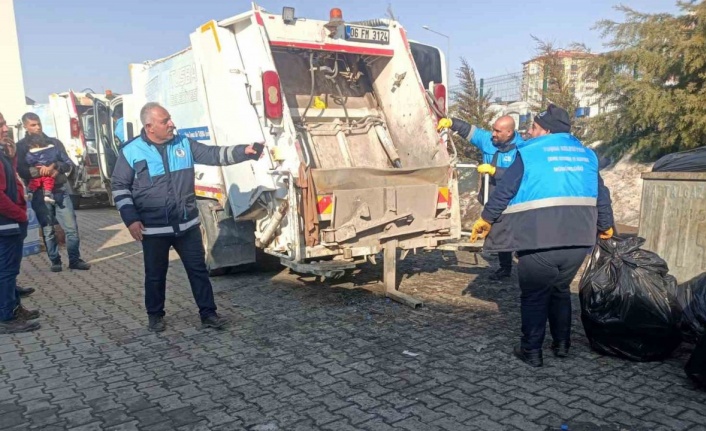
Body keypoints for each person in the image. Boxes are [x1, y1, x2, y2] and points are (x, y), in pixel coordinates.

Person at [470, 104, 614, 367]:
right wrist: (606, 227)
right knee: (559, 289)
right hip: (580, 240)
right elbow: (601, 196)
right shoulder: (587, 155)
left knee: (534, 295)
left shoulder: (530, 154)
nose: (529, 131)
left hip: (540, 238)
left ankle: (532, 351)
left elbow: (505, 190)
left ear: (546, 130)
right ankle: (562, 345)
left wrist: (486, 218)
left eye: (533, 127)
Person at [111, 102, 261, 332]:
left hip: (187, 225)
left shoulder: (183, 143)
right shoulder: (131, 151)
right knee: (155, 274)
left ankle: (208, 314)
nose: (172, 124)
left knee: (198, 271)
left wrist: (244, 151)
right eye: (165, 121)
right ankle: (155, 315)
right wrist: (131, 219)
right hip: (153, 229)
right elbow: (120, 186)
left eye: (170, 119)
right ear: (150, 127)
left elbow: (214, 154)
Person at [438, 115, 523, 280]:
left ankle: (516, 264)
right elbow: (470, 131)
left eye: (498, 131)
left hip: (512, 199)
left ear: (509, 132)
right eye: (493, 129)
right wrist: (451, 123)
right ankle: (504, 266)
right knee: (498, 231)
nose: (493, 134)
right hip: (490, 197)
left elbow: (521, 176)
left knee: (509, 232)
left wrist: (495, 171)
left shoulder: (522, 149)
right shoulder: (488, 141)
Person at [16, 113, 91, 272]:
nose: (37, 127)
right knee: (48, 229)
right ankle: (55, 261)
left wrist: (55, 166)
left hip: (60, 191)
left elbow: (68, 163)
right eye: (33, 125)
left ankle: (74, 260)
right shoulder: (21, 147)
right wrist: (40, 172)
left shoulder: (54, 143)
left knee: (71, 228)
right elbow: (21, 170)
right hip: (39, 193)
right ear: (25, 127)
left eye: (39, 124)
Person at [0, 112, 41, 334]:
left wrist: (13, 157)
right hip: (6, 224)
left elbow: (11, 178)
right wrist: (20, 214)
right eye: (0, 125)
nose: (5, 129)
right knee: (5, 272)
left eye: (5, 124)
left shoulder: (1, 153)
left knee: (10, 271)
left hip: (11, 223)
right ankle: (6, 317)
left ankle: (14, 308)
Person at [24, 134, 62, 204]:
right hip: (48, 172)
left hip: (37, 170)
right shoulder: (50, 150)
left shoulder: (31, 152)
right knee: (49, 182)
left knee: (34, 182)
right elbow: (54, 159)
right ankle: (47, 195)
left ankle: (30, 193)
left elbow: (28, 161)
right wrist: (52, 165)